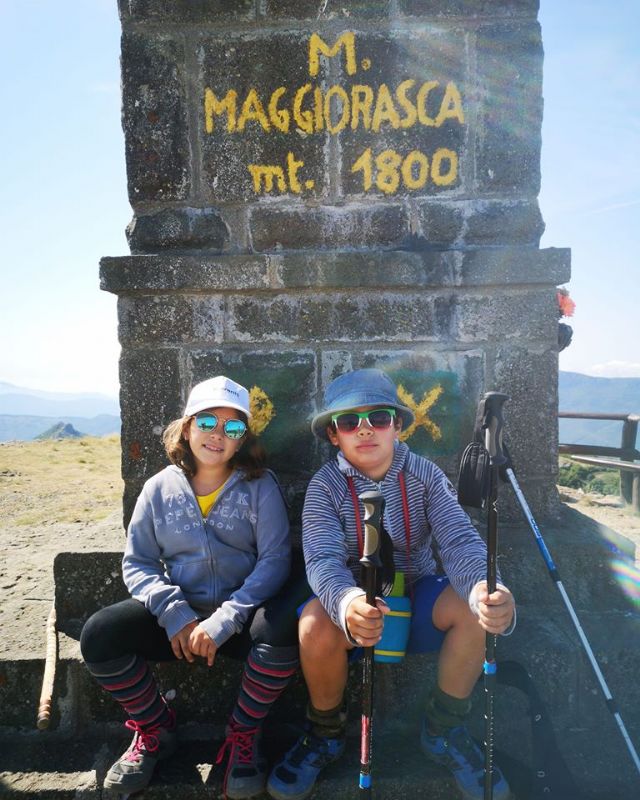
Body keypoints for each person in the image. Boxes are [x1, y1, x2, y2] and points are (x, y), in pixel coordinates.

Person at [267, 368, 515, 800]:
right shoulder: (324, 487)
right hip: (351, 597)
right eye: (349, 422)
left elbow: (457, 538)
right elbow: (322, 558)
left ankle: (444, 728)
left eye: (378, 418)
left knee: (476, 610)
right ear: (333, 436)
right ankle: (324, 732)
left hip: (416, 591)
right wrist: (346, 605)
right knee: (312, 623)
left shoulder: (426, 476)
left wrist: (482, 587)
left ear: (398, 426)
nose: (364, 430)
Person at [81, 375, 301, 800]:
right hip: (177, 623)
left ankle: (243, 734)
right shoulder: (157, 490)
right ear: (187, 427)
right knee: (99, 634)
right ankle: (155, 729)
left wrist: (226, 619)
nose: (218, 435)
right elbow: (139, 563)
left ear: (243, 439)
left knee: (282, 631)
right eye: (207, 422)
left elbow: (275, 560)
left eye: (233, 427)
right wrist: (174, 614)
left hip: (240, 619)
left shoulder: (261, 486)